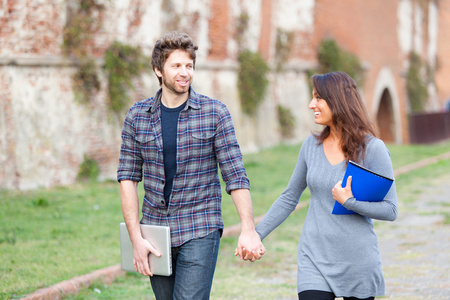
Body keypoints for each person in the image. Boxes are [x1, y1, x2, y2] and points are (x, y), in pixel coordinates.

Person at [117, 31, 265, 299]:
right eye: (176, 66)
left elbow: (235, 175)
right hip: (155, 230)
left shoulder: (215, 113)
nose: (185, 72)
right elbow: (127, 178)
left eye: (189, 65)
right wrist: (135, 237)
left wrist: (248, 228)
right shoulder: (137, 116)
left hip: (200, 225)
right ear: (158, 70)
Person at [252, 71, 398, 300]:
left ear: (338, 100)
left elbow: (391, 210)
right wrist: (256, 234)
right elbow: (290, 196)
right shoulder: (311, 145)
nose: (311, 105)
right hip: (315, 258)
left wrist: (350, 202)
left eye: (318, 98)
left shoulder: (373, 149)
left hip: (357, 260)